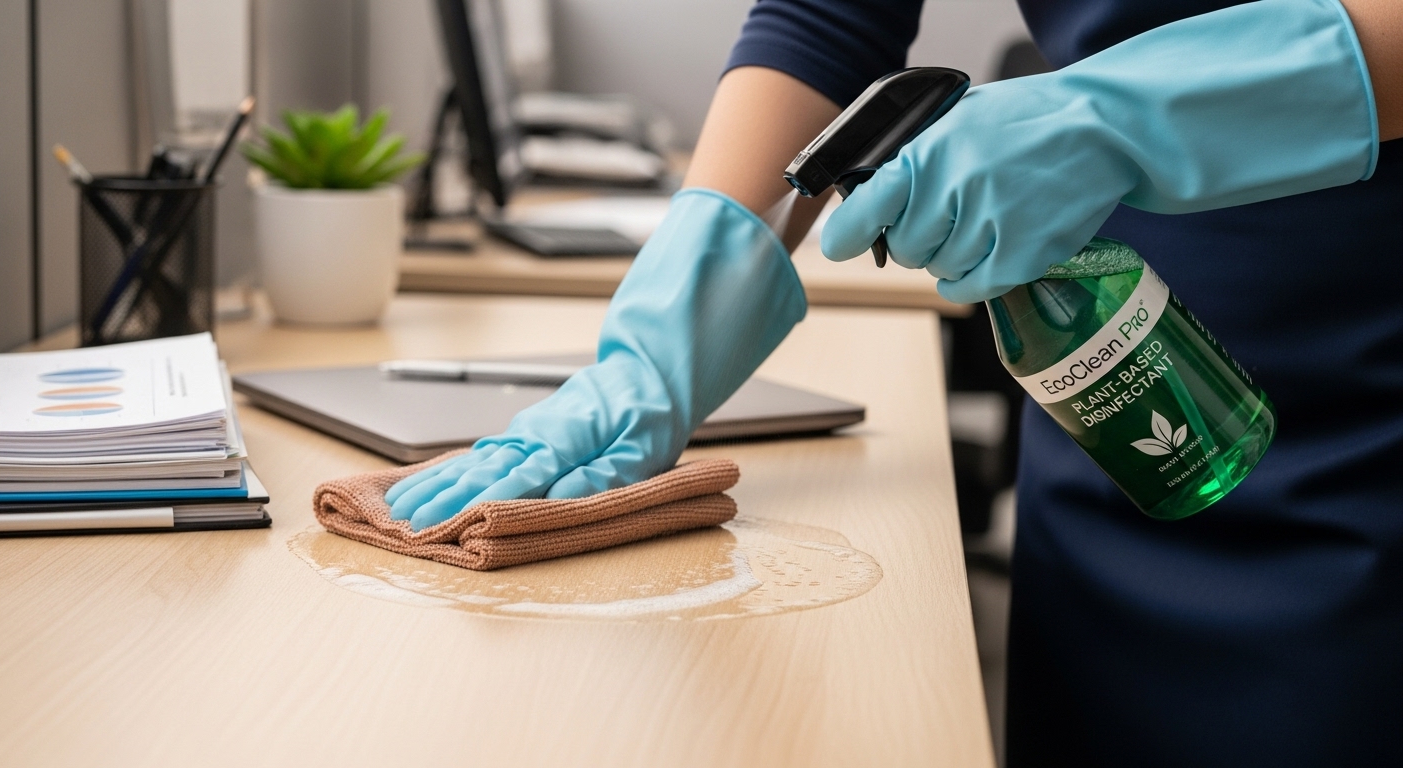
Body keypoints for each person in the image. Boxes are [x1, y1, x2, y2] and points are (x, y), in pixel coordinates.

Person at [388, 0, 1403, 763]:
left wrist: (1121, 114)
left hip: (1367, 392)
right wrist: (666, 332)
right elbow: (828, 17)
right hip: (1107, 386)